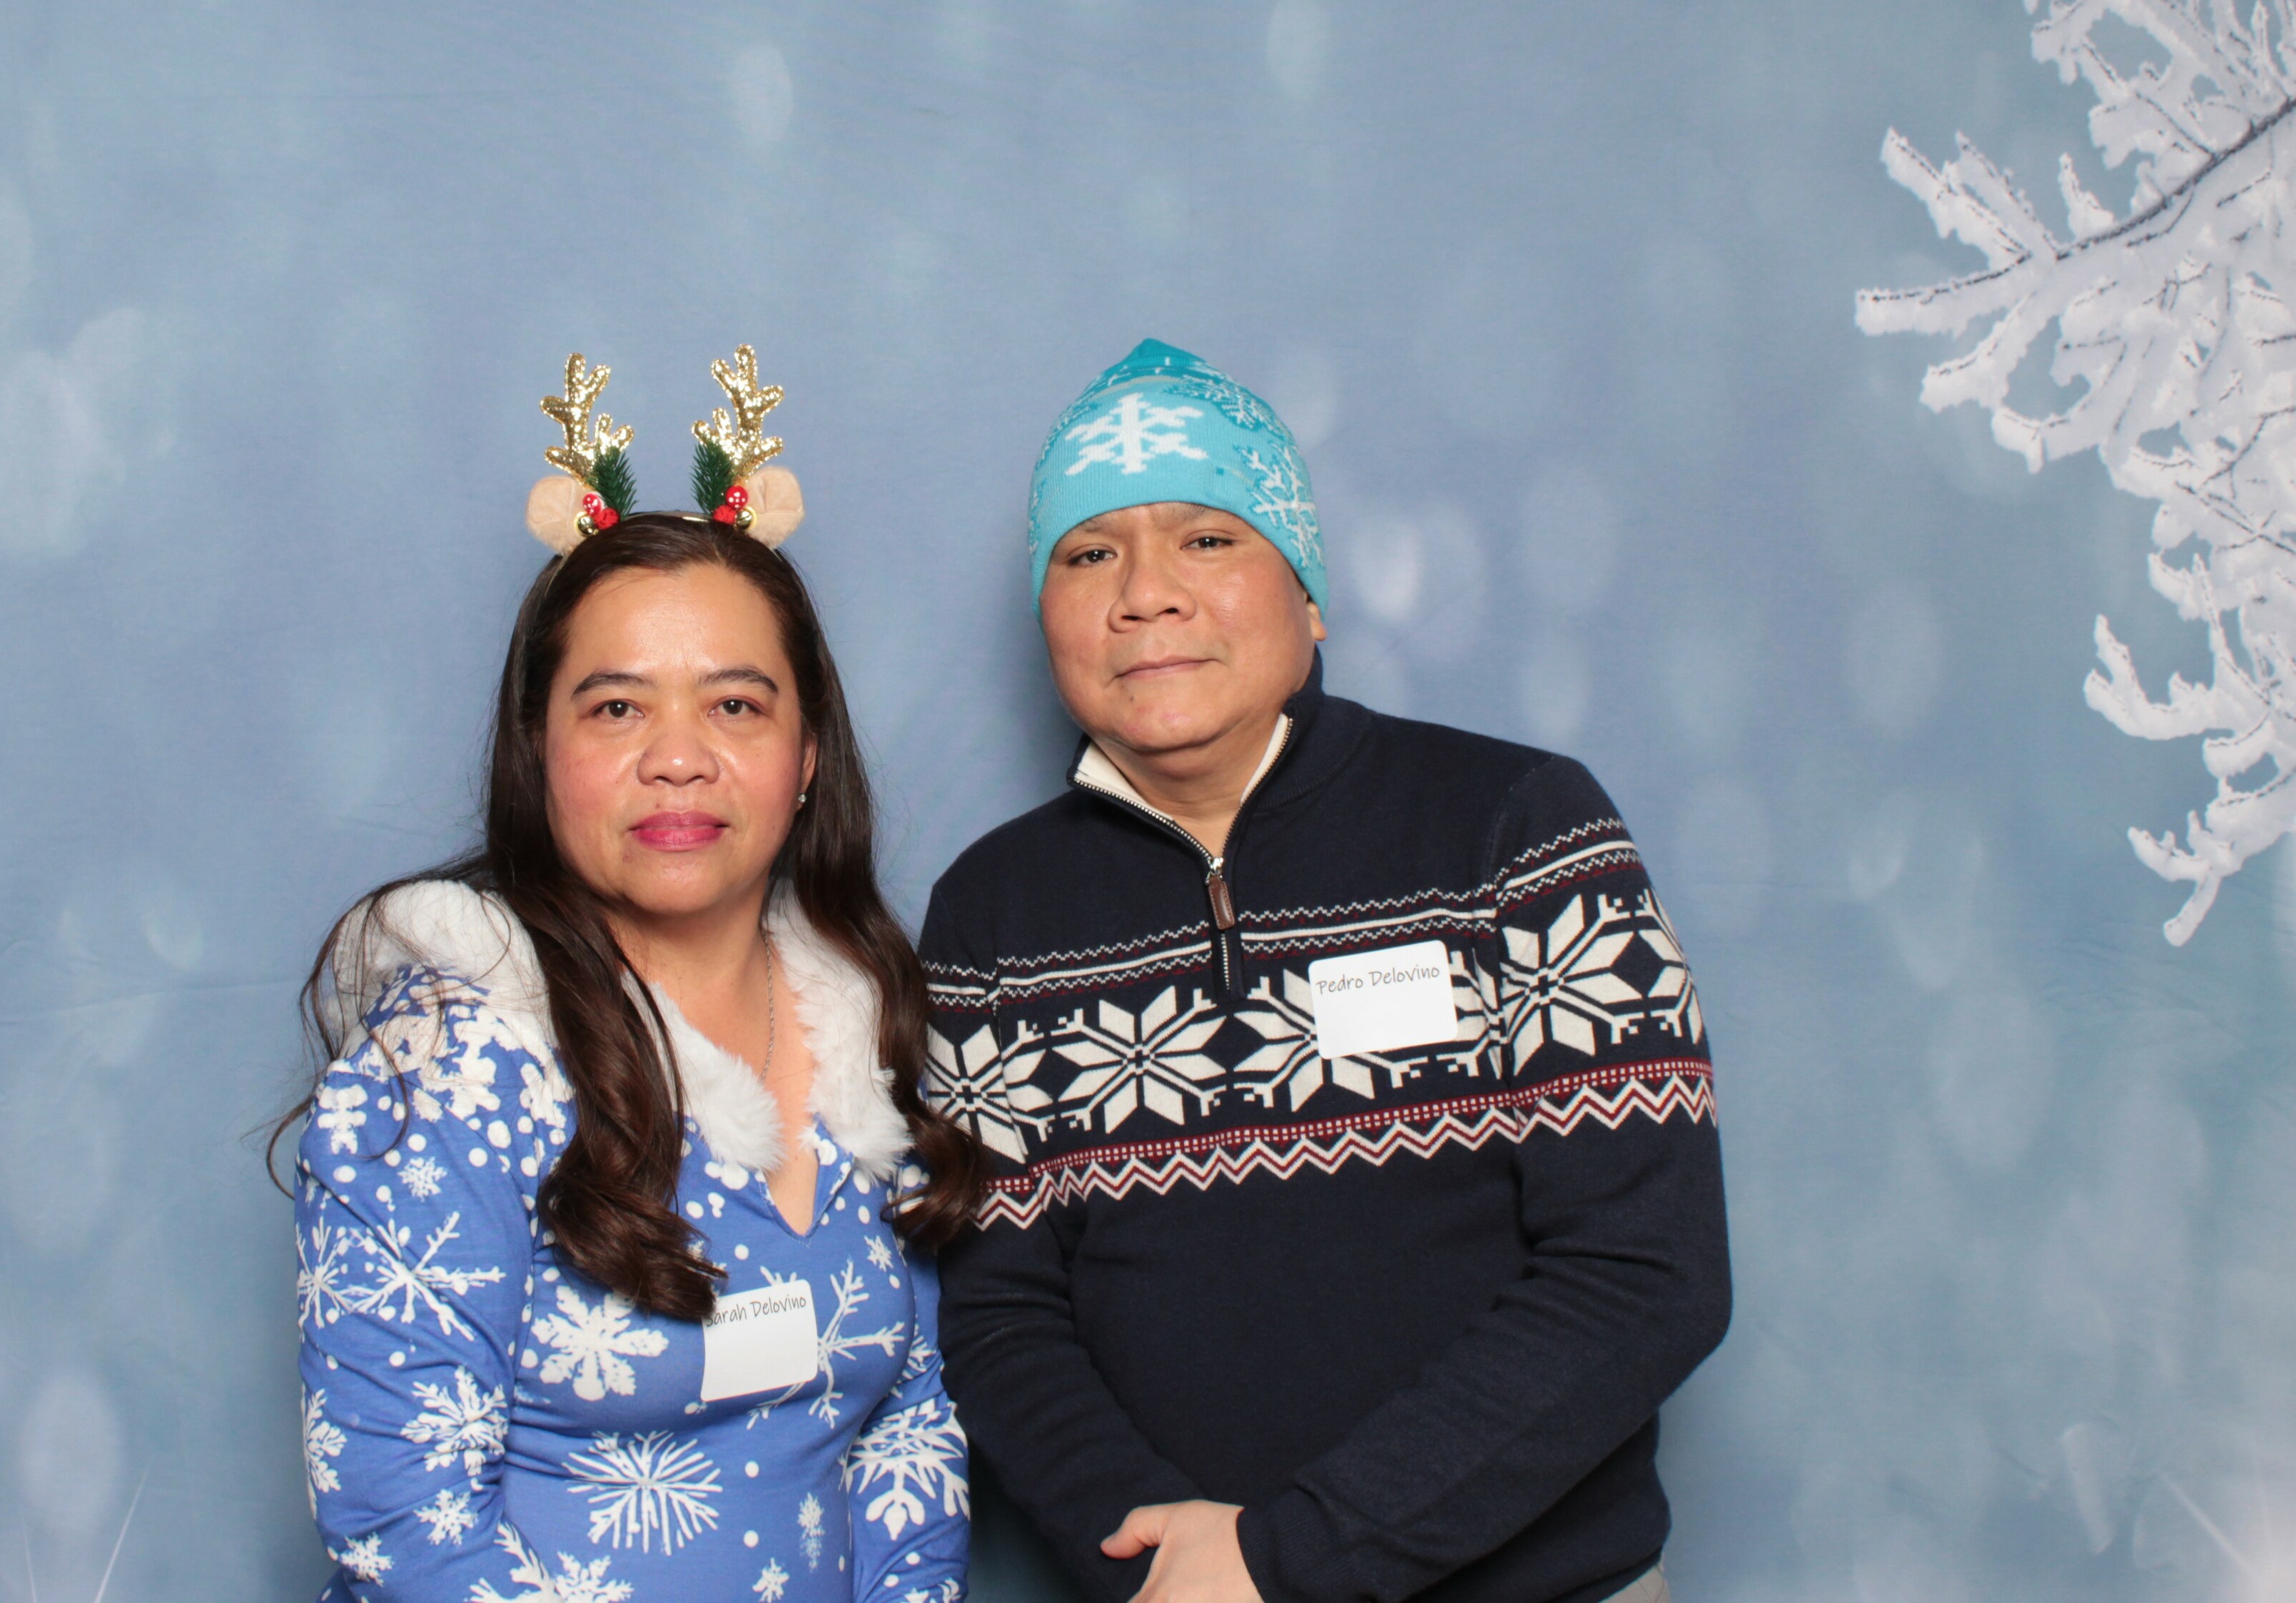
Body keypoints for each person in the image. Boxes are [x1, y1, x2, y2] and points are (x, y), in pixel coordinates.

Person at [920, 340, 1730, 1603]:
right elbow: (998, 1317)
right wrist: (1176, 1574)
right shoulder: (992, 916)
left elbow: (1644, 1274)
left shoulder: (1519, 830)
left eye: (1207, 539)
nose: (1145, 595)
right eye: (1088, 555)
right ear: (1048, 620)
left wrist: (1289, 1560)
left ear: (1308, 597)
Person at [288, 350, 982, 1603]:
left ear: (806, 756)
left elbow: (909, 1429)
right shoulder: (448, 1067)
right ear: (537, 751)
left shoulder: (861, 1034)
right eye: (616, 709)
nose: (678, 759)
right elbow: (405, 1528)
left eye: (736, 706)